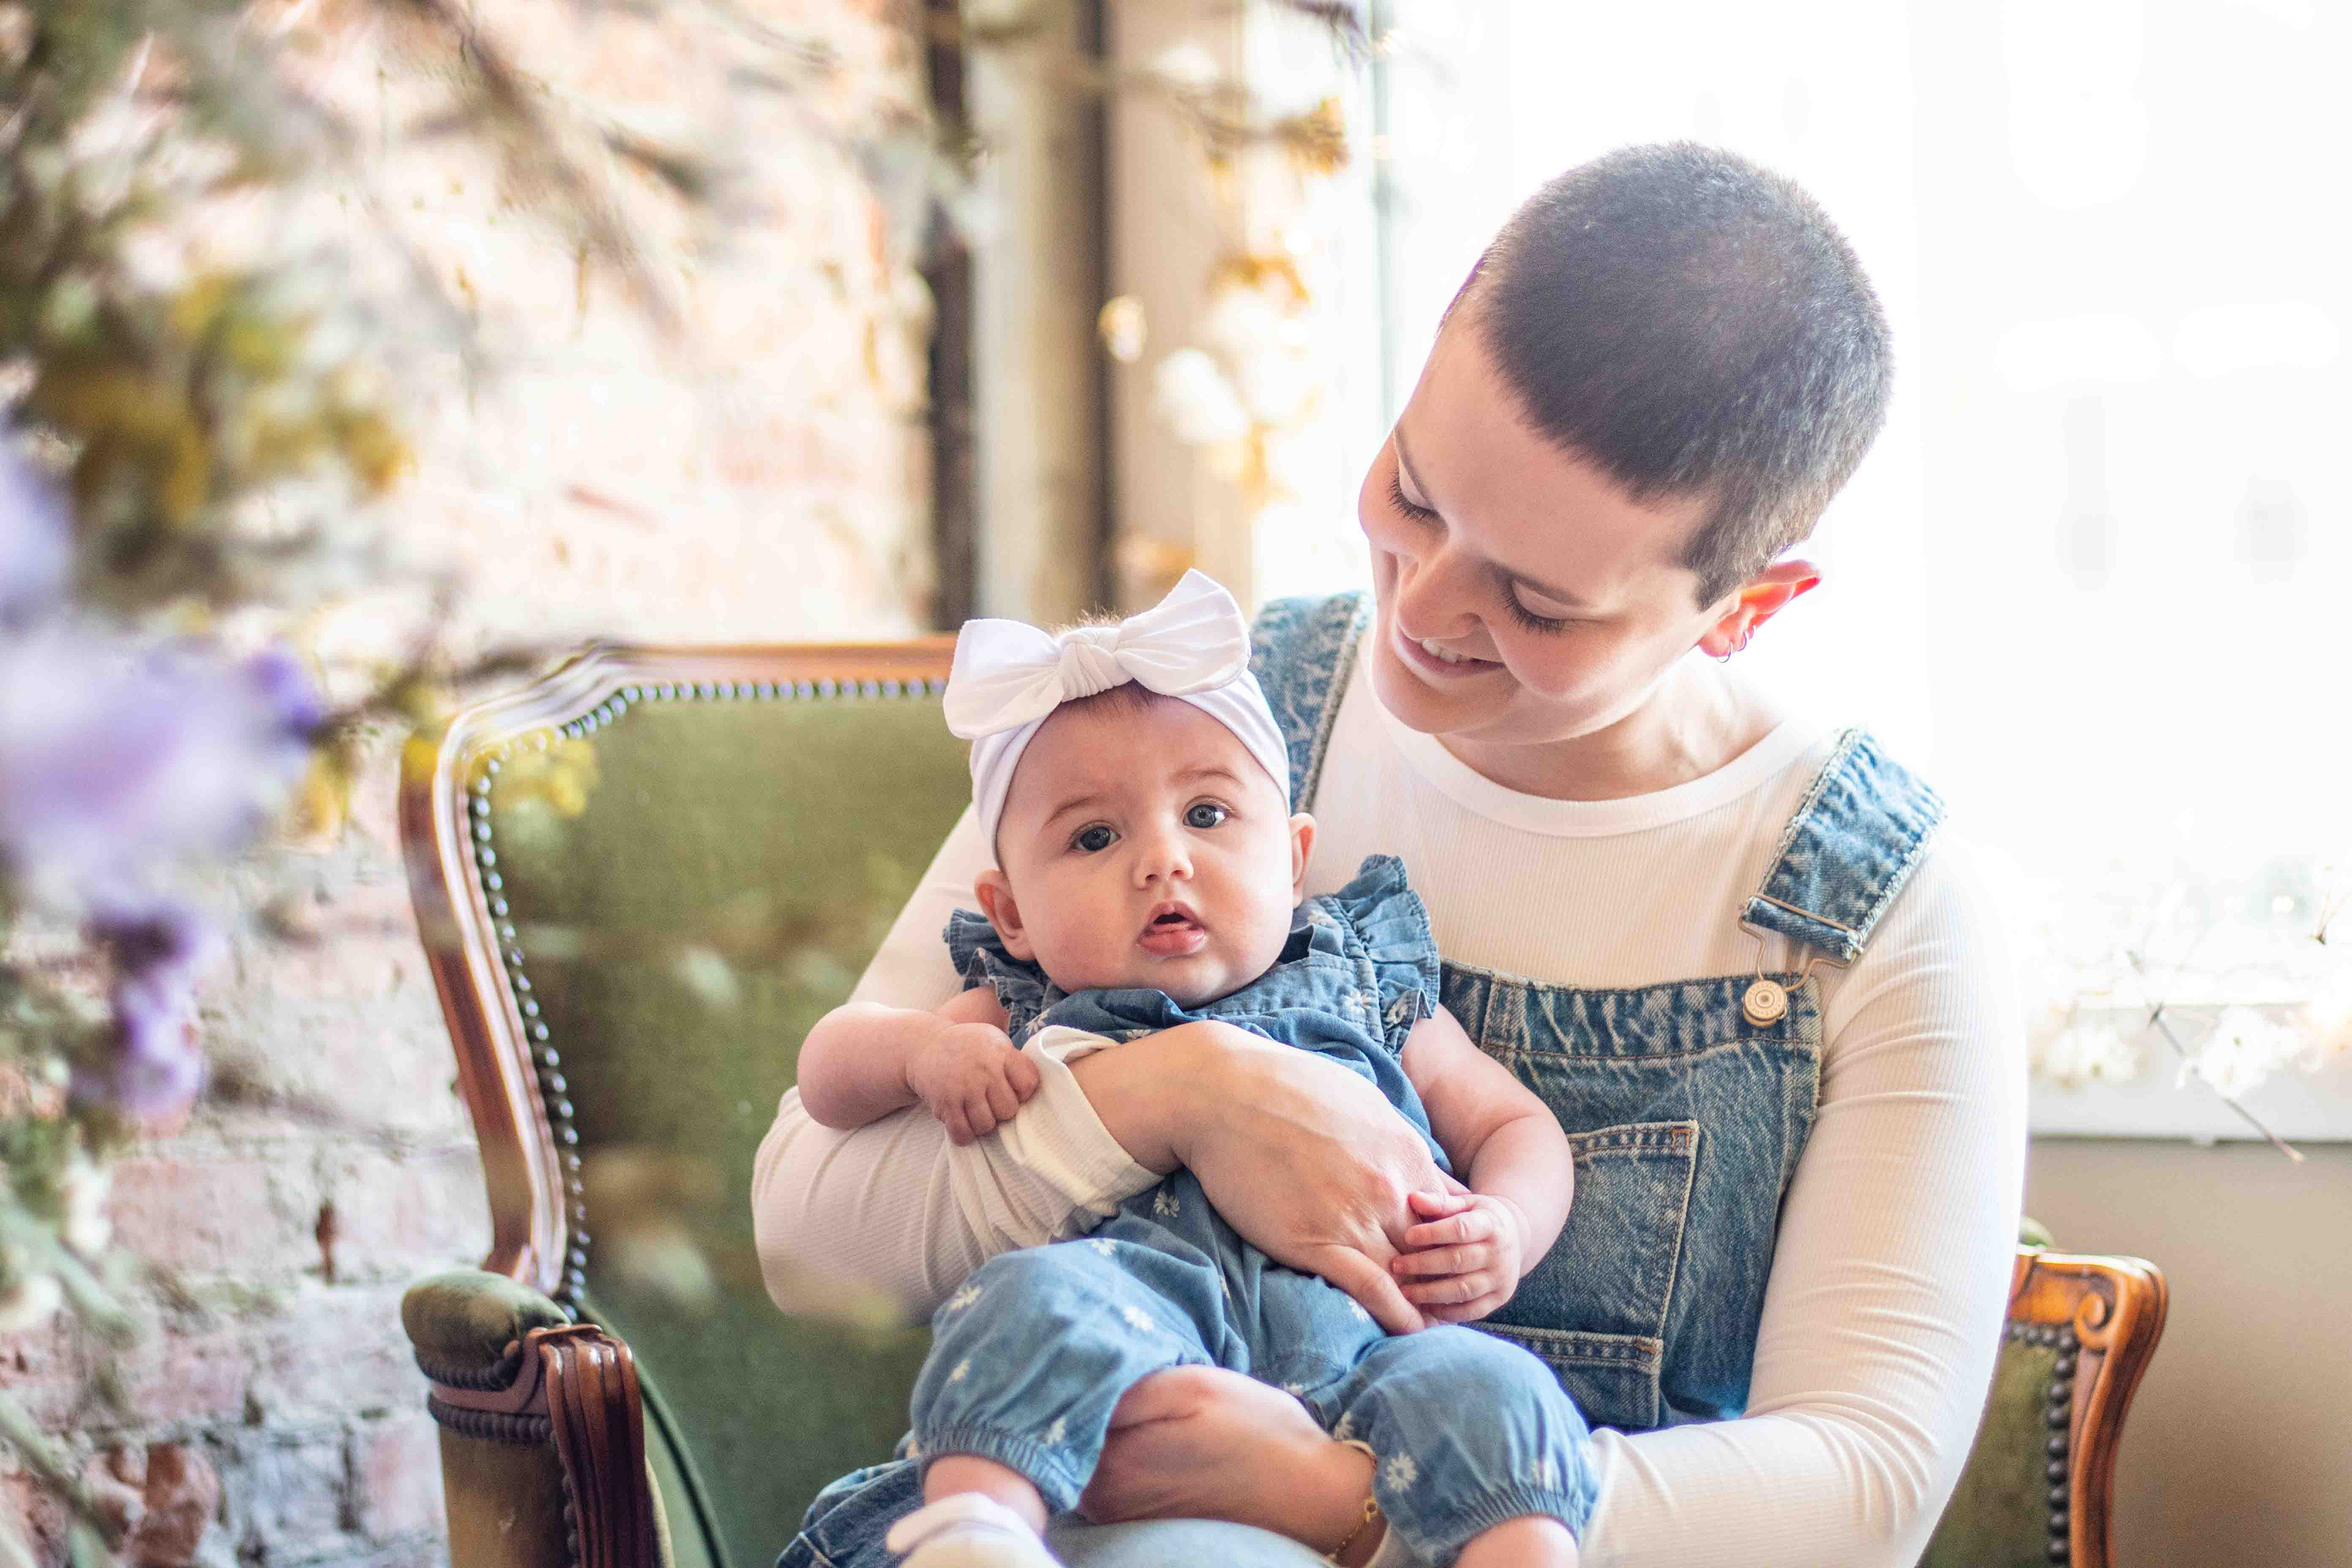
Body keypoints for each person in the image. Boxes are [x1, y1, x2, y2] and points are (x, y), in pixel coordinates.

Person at [753, 141, 2027, 1568]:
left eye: (1539, 601)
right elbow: (810, 1228)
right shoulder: (1192, 732)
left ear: (1747, 604)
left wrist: (1337, 1494)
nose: (1425, 603)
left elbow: (1862, 1486)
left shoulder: (1878, 908)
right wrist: (1185, 1087)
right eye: (1415, 494)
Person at [786, 570, 1595, 1568]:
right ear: (1013, 917)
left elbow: (1512, 1127)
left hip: (1374, 1354)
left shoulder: (1368, 980)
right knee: (1025, 1305)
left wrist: (1507, 1225)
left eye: (1207, 816)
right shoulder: (1024, 1000)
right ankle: (981, 1530)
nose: (1162, 860)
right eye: (1094, 836)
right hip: (1128, 1342)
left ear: (1294, 861)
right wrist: (920, 1052)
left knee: (1504, 1394)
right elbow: (827, 1070)